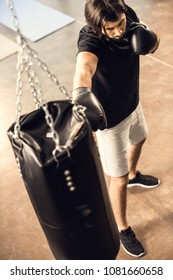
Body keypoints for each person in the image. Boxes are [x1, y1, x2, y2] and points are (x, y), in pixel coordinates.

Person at [72, 0, 160, 258]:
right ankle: (122, 228)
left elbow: (146, 38)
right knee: (117, 179)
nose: (118, 32)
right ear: (97, 26)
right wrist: (81, 92)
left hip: (132, 103)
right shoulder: (91, 40)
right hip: (110, 122)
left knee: (141, 138)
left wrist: (149, 36)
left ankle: (134, 174)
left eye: (120, 24)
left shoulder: (125, 14)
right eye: (110, 29)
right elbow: (83, 69)